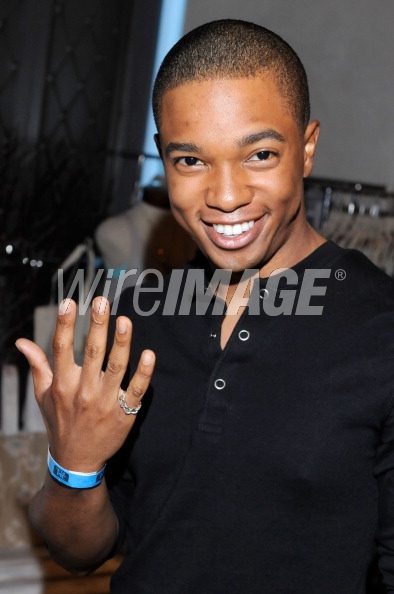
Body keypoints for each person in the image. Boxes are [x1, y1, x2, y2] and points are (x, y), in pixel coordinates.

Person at [15, 19, 394, 594]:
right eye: (191, 161)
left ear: (308, 147)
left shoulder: (380, 328)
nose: (225, 196)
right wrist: (74, 462)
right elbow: (78, 552)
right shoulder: (133, 320)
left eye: (260, 154)